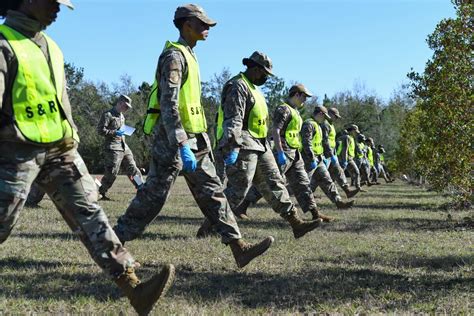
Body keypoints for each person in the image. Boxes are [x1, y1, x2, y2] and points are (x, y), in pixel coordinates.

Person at [0, 1, 173, 314]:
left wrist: (73, 138)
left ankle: (134, 287)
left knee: (91, 215)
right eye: (52, 2)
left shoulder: (52, 46)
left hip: (60, 149)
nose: (58, 8)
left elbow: (59, 99)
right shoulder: (3, 44)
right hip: (15, 149)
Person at [114, 4, 273, 269]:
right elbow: (169, 103)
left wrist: (196, 141)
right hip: (173, 142)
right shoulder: (174, 57)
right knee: (152, 198)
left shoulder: (190, 54)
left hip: (196, 141)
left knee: (213, 193)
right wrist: (181, 143)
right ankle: (112, 246)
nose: (207, 29)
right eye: (202, 24)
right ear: (186, 24)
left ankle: (238, 248)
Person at [208, 51, 322, 239]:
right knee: (239, 189)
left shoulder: (255, 89)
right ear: (255, 68)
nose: (266, 78)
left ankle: (296, 223)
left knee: (276, 183)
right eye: (265, 73)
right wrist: (232, 146)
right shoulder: (238, 85)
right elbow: (233, 119)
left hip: (261, 145)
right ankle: (211, 225)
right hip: (243, 144)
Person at [228, 84, 334, 221]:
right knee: (269, 183)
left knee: (303, 184)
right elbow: (276, 130)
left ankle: (315, 213)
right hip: (284, 151)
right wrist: (279, 152)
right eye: (304, 97)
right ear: (296, 94)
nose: (305, 100)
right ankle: (241, 207)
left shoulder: (295, 111)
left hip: (295, 153)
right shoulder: (283, 109)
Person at [301, 106, 354, 209]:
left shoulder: (317, 124)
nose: (326, 118)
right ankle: (285, 199)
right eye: (324, 116)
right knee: (302, 182)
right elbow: (306, 143)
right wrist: (312, 158)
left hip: (319, 158)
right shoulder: (309, 124)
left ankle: (338, 202)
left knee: (327, 180)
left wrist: (324, 157)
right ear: (320, 114)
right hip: (309, 158)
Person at [97, 94, 143, 200]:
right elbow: (100, 130)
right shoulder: (108, 114)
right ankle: (100, 192)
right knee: (112, 172)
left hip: (123, 146)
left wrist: (126, 131)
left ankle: (142, 188)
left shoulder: (122, 116)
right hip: (113, 147)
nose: (126, 109)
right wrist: (115, 132)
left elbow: (121, 129)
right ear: (120, 103)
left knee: (133, 168)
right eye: (126, 106)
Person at [321, 107, 360, 198]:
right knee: (315, 179)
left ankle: (347, 191)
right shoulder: (325, 125)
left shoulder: (331, 125)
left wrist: (333, 154)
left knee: (339, 172)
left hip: (331, 154)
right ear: (330, 114)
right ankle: (300, 192)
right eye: (336, 116)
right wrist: (332, 155)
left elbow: (332, 142)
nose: (337, 119)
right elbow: (325, 141)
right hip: (325, 154)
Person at [336, 124, 362, 190]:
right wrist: (344, 160)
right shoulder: (347, 137)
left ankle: (358, 187)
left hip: (350, 159)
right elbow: (345, 149)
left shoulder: (351, 138)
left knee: (356, 172)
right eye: (355, 131)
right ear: (352, 130)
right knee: (339, 174)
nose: (356, 133)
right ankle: (331, 185)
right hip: (345, 159)